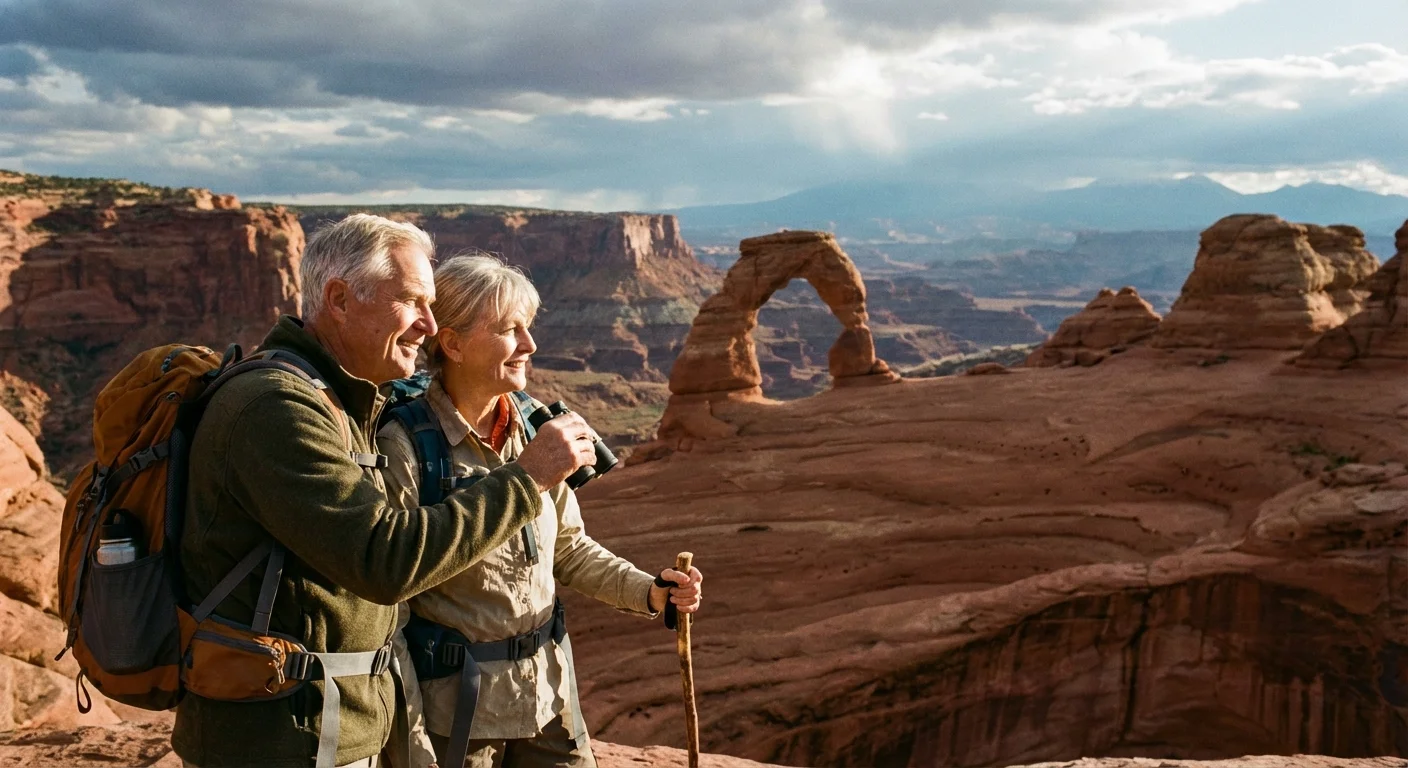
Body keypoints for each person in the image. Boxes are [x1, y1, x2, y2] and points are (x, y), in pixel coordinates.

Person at [173, 215, 600, 768]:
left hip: (325, 726)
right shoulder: (276, 408)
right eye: (412, 302)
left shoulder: (341, 399)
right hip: (276, 738)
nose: (427, 324)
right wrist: (526, 478)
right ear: (340, 299)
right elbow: (386, 560)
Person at [378, 253, 703, 768]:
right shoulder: (406, 447)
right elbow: (387, 609)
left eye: (528, 328)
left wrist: (650, 592)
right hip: (458, 722)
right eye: (510, 330)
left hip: (550, 702)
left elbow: (568, 548)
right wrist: (411, 742)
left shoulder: (534, 433)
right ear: (454, 343)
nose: (530, 345)